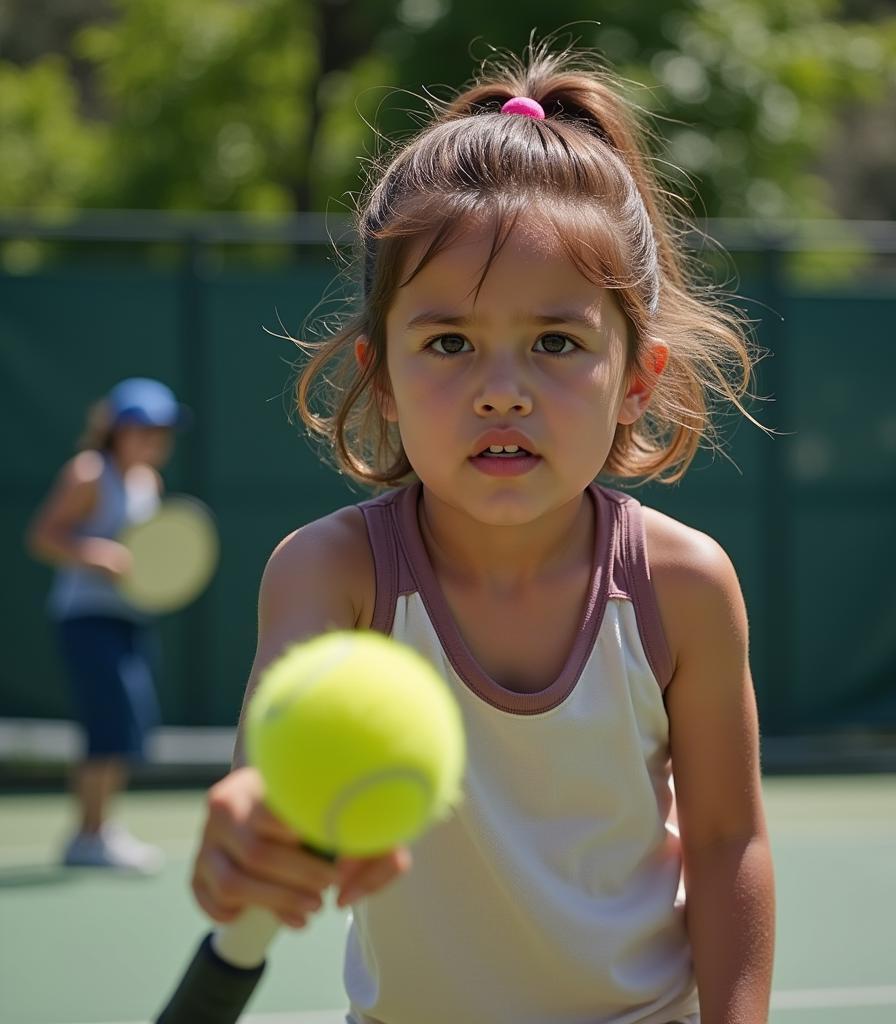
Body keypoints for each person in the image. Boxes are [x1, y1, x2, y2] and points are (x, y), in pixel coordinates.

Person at [191, 44, 775, 1024]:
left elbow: (726, 842)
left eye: (555, 342)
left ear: (635, 377)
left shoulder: (682, 584)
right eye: (449, 342)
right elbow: (263, 775)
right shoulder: (332, 573)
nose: (501, 388)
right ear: (381, 375)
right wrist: (252, 820)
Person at [26, 377, 189, 873]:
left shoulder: (150, 483)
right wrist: (100, 557)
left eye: (163, 429)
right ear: (116, 429)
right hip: (86, 618)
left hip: (129, 618)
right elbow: (44, 536)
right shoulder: (88, 473)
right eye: (143, 427)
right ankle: (88, 836)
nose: (154, 438)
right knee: (107, 722)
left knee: (127, 724)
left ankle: (100, 829)